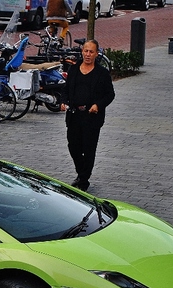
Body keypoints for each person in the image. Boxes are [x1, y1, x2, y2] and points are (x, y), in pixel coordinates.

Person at [60, 40, 115, 192]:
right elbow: (65, 89)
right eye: (86, 51)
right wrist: (63, 102)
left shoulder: (102, 73)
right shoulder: (74, 69)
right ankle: (81, 173)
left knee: (89, 149)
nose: (88, 55)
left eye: (91, 52)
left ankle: (83, 181)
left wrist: (98, 105)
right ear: (82, 52)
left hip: (91, 118)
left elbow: (110, 94)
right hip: (74, 115)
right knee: (73, 146)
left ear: (97, 54)